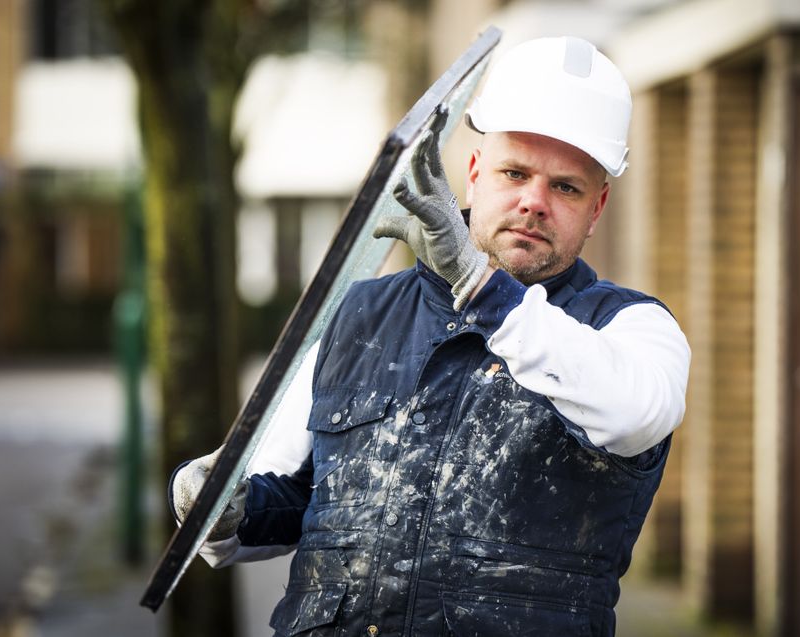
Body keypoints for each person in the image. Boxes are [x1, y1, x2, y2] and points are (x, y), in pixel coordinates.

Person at [171, 35, 690, 636]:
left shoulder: (630, 328)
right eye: (514, 173)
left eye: (565, 187)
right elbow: (289, 497)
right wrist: (221, 512)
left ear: (597, 208)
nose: (533, 202)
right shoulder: (357, 317)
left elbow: (634, 416)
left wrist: (481, 285)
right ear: (474, 176)